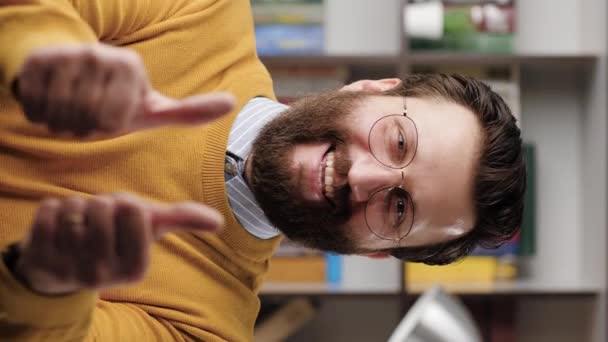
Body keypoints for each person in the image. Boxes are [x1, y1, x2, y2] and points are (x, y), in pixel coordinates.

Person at [0, 1, 525, 341]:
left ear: (377, 251)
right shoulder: (203, 11)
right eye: (398, 139)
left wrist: (45, 285)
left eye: (399, 207)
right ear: (374, 89)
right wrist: (38, 55)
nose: (364, 178)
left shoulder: (205, 332)